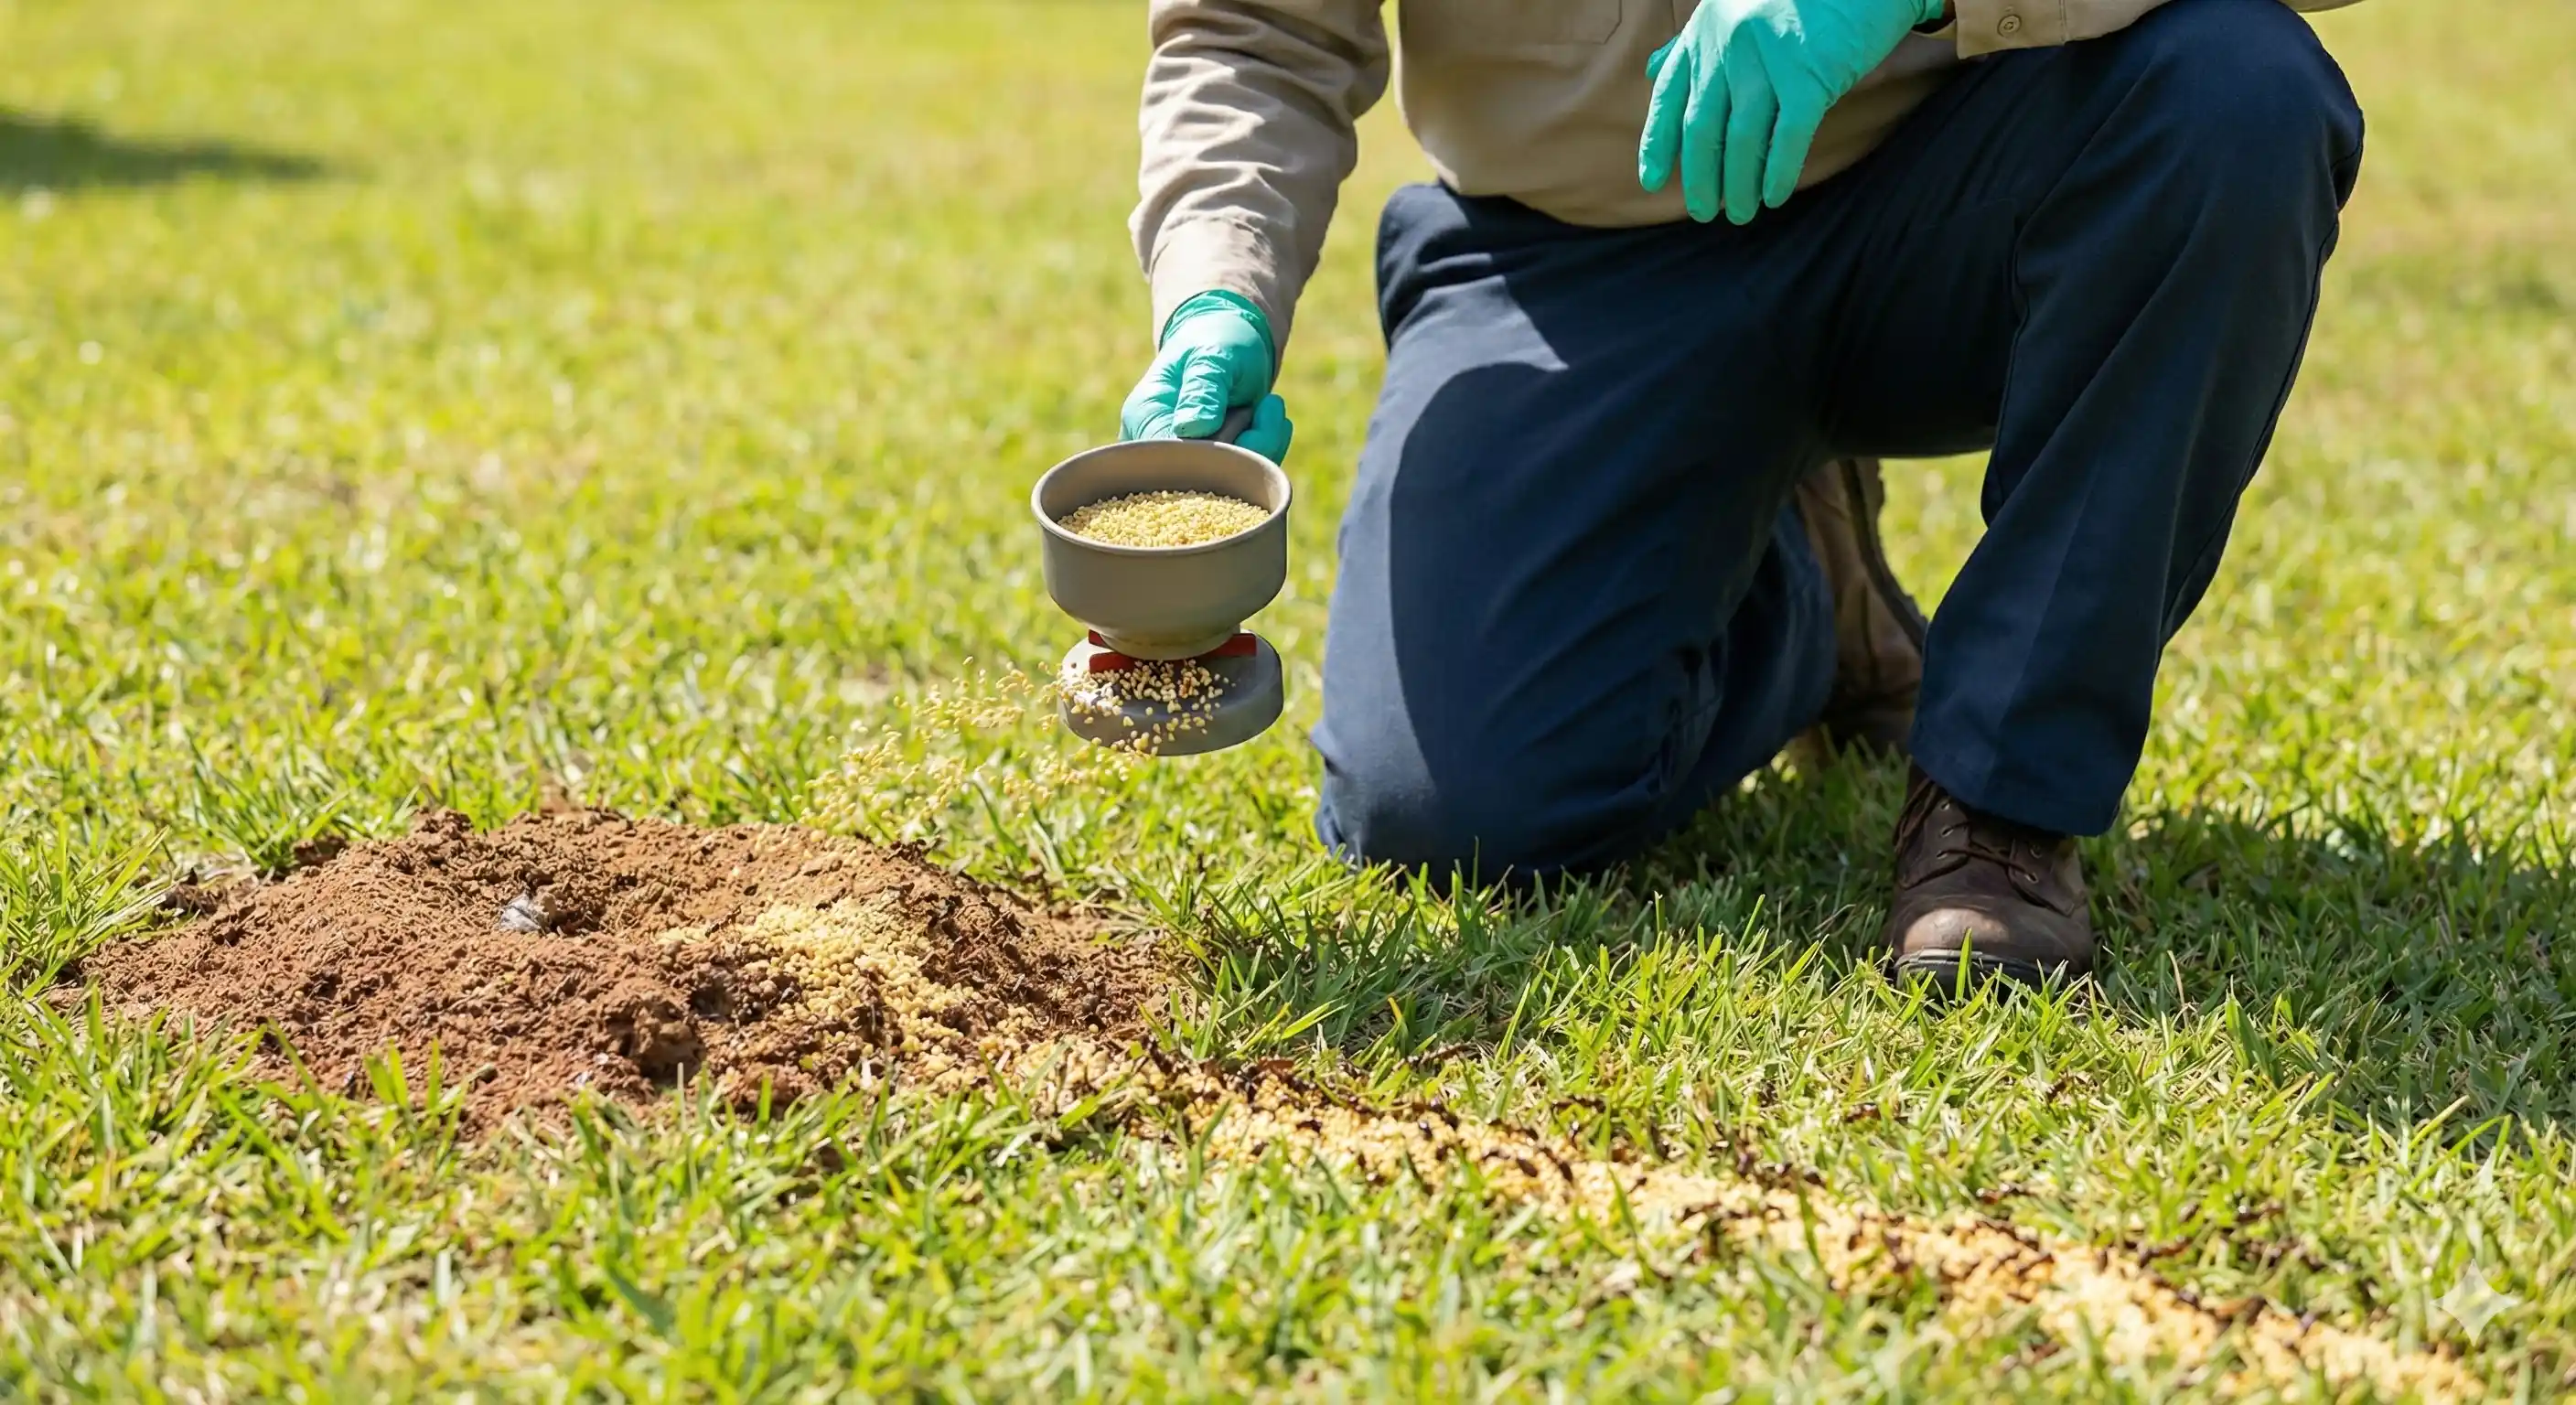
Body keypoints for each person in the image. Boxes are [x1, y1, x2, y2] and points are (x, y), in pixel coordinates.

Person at [1118, 0, 2366, 989]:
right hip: (1569, 265)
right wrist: (1218, 290)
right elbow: (1253, 31)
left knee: (2237, 96)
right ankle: (1808, 596)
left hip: (1950, 192)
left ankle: (2001, 799)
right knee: (1446, 822)